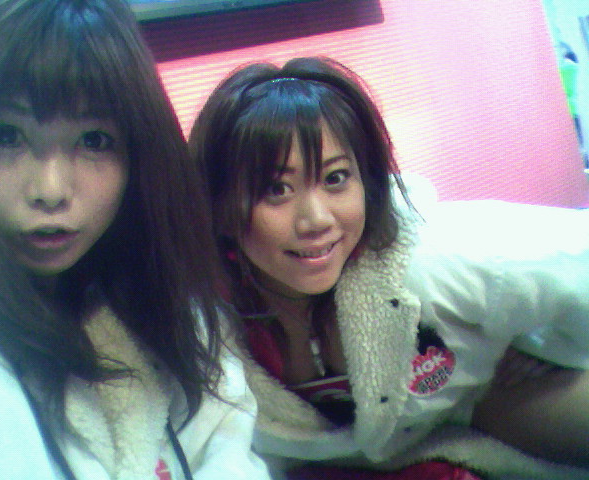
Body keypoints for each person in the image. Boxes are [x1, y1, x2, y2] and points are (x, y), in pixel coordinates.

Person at [189, 56, 589, 479]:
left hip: (490, 399)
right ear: (219, 206)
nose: (316, 220)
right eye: (277, 189)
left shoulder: (435, 259)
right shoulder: (212, 324)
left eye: (335, 178)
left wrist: (548, 346)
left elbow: (576, 257)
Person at [0, 1, 270, 479]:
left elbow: (228, 445)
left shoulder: (170, 301)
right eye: (6, 135)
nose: (50, 190)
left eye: (93, 140)